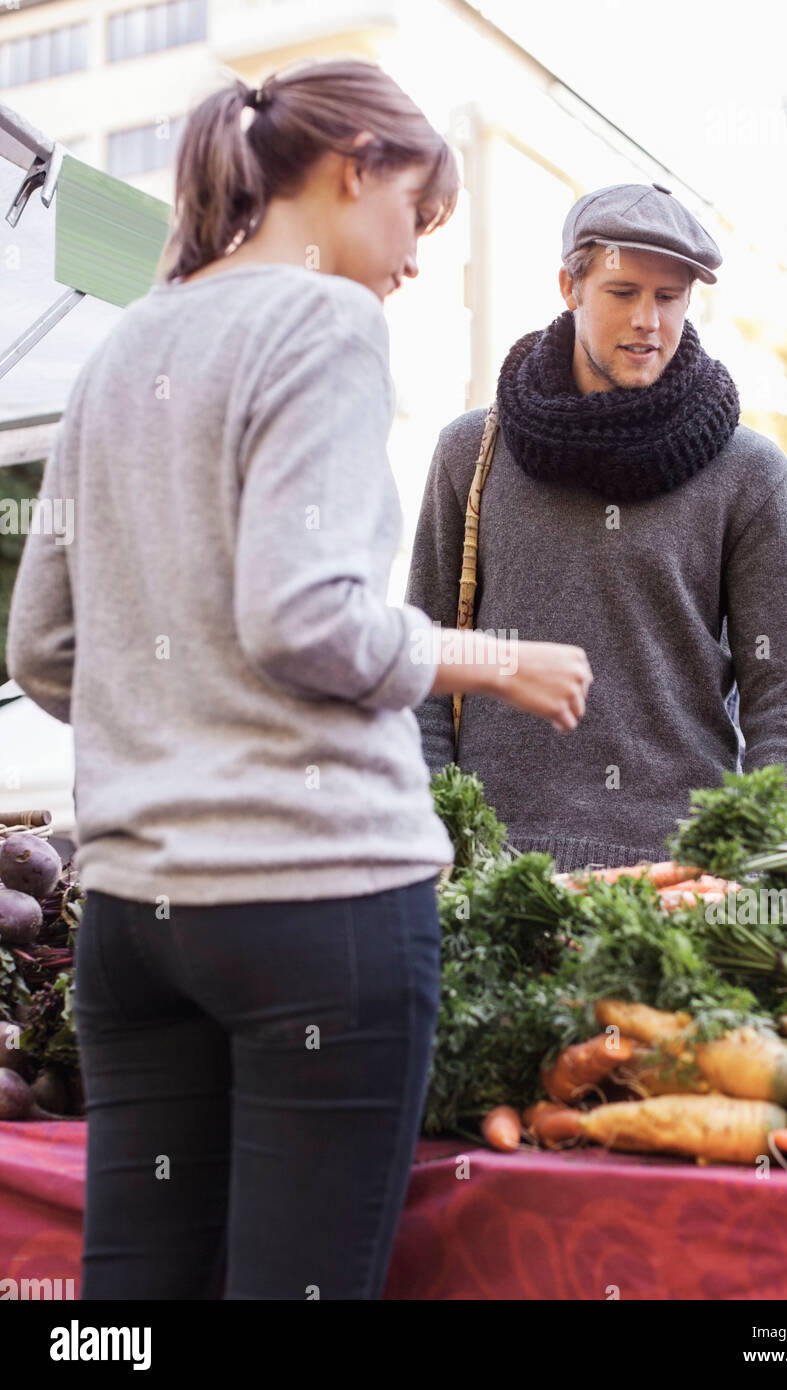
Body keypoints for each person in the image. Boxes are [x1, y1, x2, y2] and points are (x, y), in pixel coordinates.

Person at [5, 57, 592, 1301]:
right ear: (351, 169)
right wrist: (491, 658)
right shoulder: (322, 320)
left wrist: (172, 720)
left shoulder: (126, 347)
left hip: (133, 923)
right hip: (311, 904)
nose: (413, 260)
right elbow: (303, 618)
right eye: (412, 217)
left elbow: (41, 648)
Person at [406, 182, 787, 874]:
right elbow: (420, 661)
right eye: (623, 292)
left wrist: (784, 879)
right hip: (491, 879)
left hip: (683, 886)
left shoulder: (751, 473)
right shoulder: (470, 453)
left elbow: (783, 700)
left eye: (669, 298)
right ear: (569, 285)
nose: (648, 322)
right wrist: (427, 845)